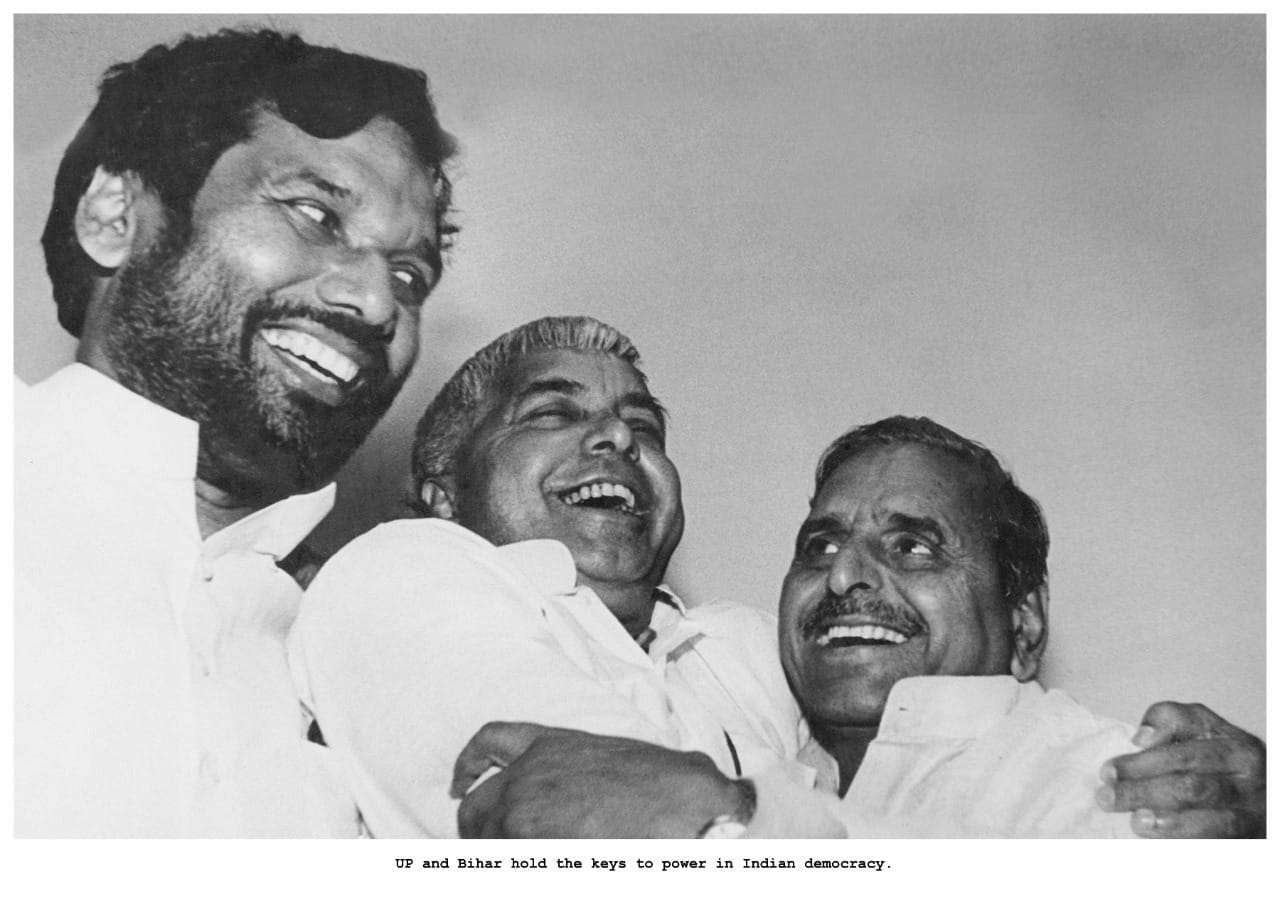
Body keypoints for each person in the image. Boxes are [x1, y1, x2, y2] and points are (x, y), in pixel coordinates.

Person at [14, 28, 455, 837]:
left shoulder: (351, 659)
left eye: (409, 275)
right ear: (116, 216)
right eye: (316, 213)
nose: (380, 304)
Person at [450, 417, 1266, 838]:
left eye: (912, 545)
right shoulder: (766, 745)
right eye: (821, 545)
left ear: (1023, 629)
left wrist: (727, 813)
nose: (844, 576)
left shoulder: (1136, 783)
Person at [289, 316, 802, 837]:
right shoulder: (396, 574)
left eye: (644, 427)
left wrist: (733, 803)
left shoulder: (751, 649)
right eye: (553, 413)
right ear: (444, 497)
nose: (620, 436)